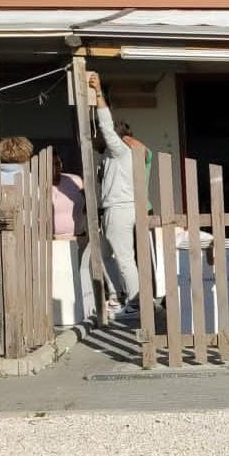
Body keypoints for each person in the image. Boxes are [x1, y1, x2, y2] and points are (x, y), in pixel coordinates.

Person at [87, 72, 140, 320]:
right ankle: (119, 296)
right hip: (114, 208)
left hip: (120, 208)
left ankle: (136, 301)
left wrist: (98, 93)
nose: (97, 135)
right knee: (108, 256)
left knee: (124, 257)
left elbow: (107, 126)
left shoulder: (119, 150)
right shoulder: (110, 156)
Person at [51, 153, 86, 240]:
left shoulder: (75, 181)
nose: (55, 167)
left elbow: (88, 204)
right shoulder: (36, 184)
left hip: (77, 238)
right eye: (51, 164)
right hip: (47, 240)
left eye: (57, 163)